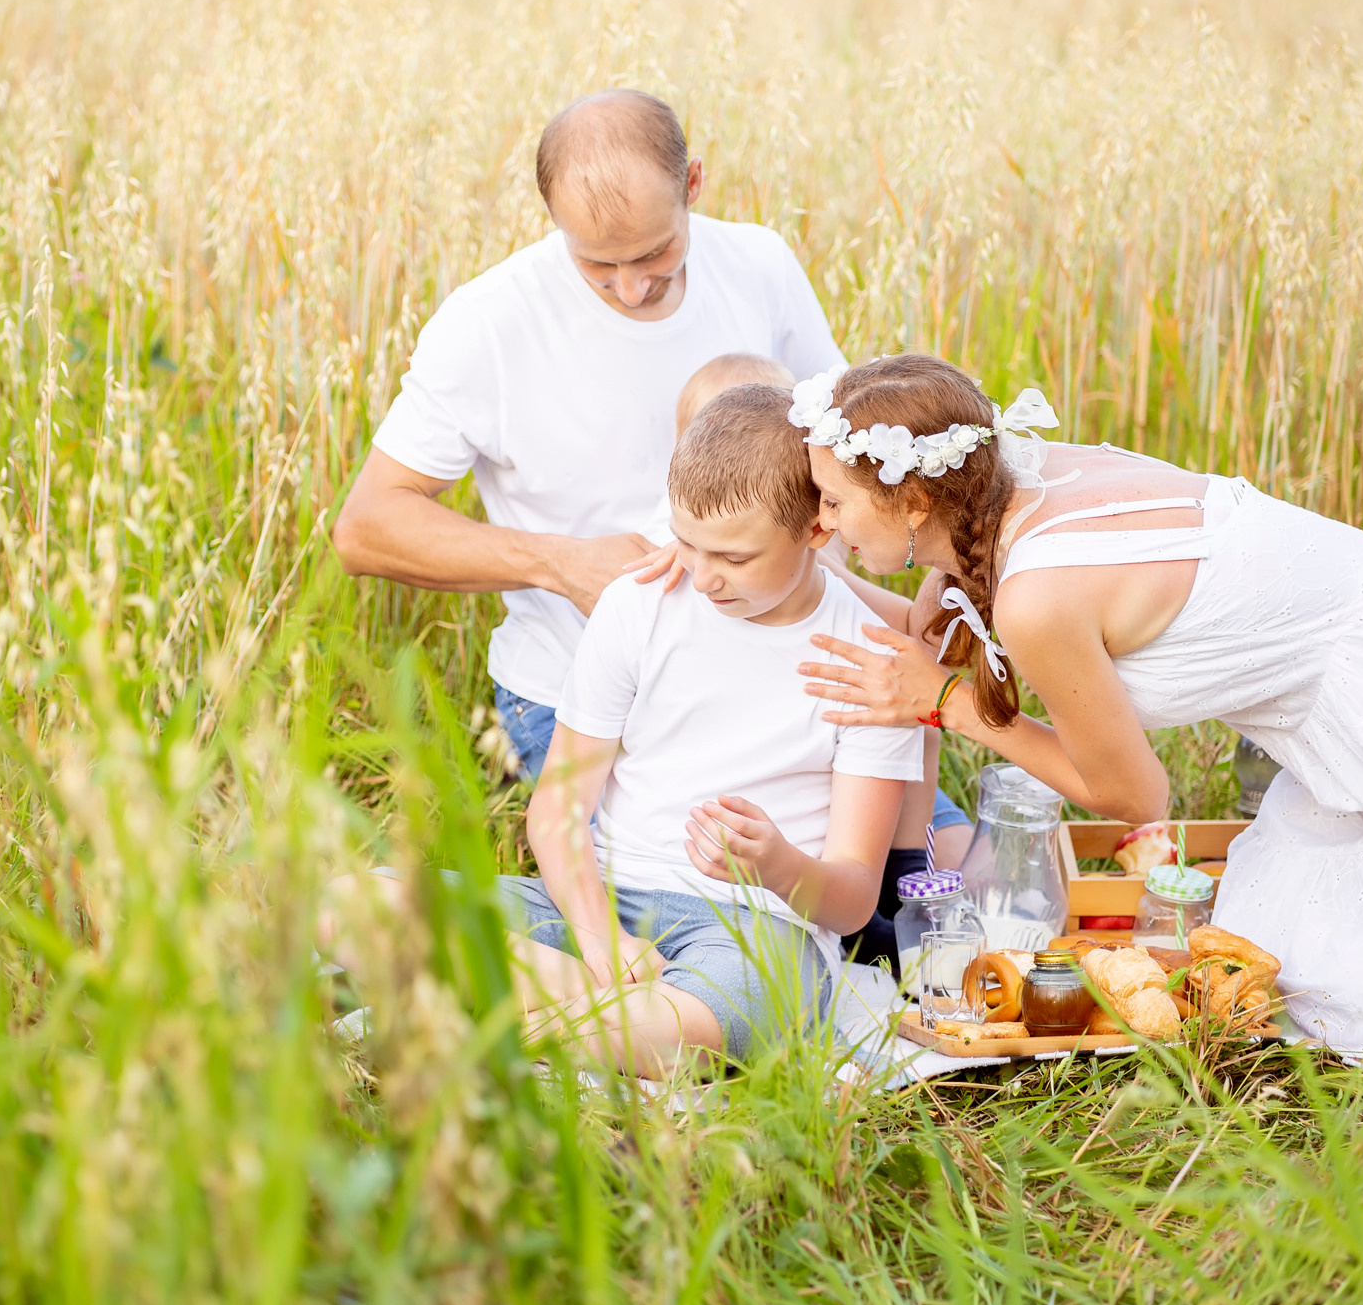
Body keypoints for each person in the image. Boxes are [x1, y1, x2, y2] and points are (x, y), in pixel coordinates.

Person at [783, 352, 1363, 1053]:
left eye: (834, 500)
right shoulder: (1014, 482)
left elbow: (1135, 794)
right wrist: (776, 565)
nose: (824, 519)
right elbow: (929, 629)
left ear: (913, 502)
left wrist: (948, 703)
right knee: (1303, 954)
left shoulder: (1037, 598)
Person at [324, 386, 921, 1076]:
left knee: (743, 1003)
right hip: (598, 895)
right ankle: (585, 1021)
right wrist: (596, 933)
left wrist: (777, 863)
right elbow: (557, 811)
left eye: (733, 558)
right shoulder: (640, 603)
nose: (702, 578)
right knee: (351, 902)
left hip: (753, 930)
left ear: (818, 530)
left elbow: (849, 903)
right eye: (687, 542)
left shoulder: (873, 660)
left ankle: (466, 1015)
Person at [330, 89, 844, 782]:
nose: (632, 289)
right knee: (705, 872)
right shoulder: (489, 322)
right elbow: (365, 527)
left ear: (694, 182)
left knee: (920, 847)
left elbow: (841, 449)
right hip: (579, 698)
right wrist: (560, 564)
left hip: (775, 668)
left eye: (656, 254)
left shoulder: (760, 265)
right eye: (599, 266)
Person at [649, 353, 973, 964]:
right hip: (777, 761)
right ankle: (899, 877)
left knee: (957, 841)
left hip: (862, 762)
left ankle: (906, 871)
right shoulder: (698, 543)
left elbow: (911, 628)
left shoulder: (815, 532)